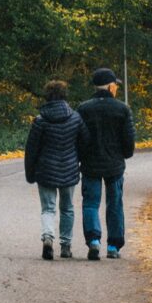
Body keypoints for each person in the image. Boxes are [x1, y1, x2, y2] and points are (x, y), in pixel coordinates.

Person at [24, 79, 89, 261]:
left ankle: (47, 238)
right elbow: (85, 143)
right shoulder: (75, 118)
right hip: (69, 169)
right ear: (64, 95)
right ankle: (66, 246)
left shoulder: (40, 120)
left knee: (48, 208)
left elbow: (31, 150)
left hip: (45, 171)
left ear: (47, 96)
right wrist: (81, 163)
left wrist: (30, 173)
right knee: (67, 208)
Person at [78, 67, 135, 260]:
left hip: (90, 164)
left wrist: (82, 155)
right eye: (115, 85)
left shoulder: (84, 108)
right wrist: (124, 154)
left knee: (91, 203)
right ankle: (113, 246)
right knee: (115, 204)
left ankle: (94, 241)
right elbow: (129, 141)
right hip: (114, 165)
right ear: (110, 87)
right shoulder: (122, 109)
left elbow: (79, 137)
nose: (117, 89)